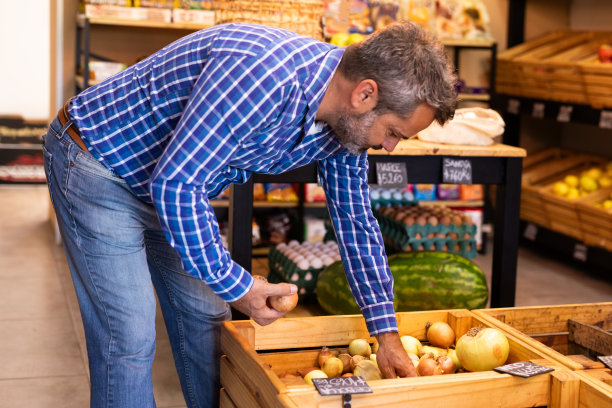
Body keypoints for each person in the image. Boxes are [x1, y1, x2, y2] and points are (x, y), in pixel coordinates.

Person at [43, 20, 456, 408]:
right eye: (394, 133)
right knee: (129, 337)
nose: (391, 147)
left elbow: (356, 222)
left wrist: (386, 334)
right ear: (364, 94)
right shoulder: (261, 75)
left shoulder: (344, 129)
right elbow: (176, 186)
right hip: (100, 163)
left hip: (168, 184)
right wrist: (240, 287)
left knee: (208, 319)